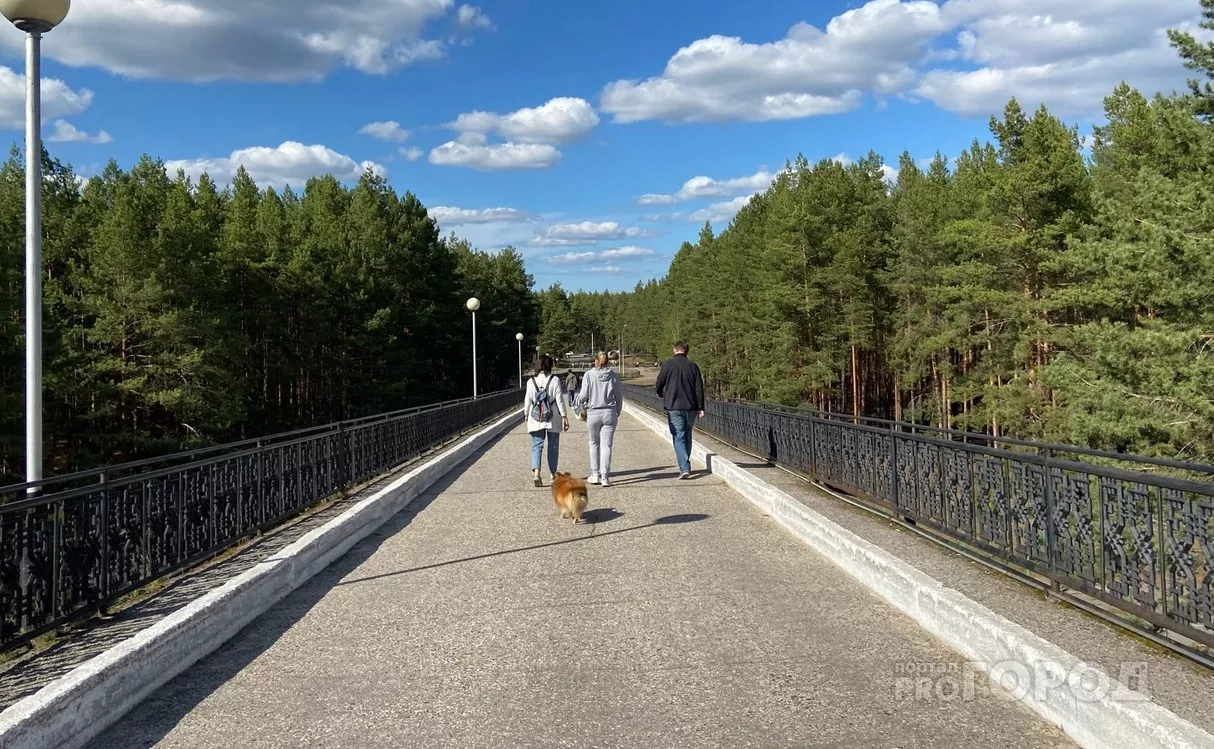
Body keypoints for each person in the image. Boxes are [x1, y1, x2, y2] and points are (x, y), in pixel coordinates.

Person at [654, 341, 705, 480]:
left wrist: (659, 392)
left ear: (674, 350)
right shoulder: (693, 366)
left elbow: (659, 382)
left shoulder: (668, 365)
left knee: (678, 435)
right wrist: (701, 407)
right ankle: (685, 463)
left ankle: (684, 467)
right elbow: (699, 388)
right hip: (691, 406)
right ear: (686, 351)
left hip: (674, 405)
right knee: (687, 434)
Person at [577, 351, 622, 487]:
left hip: (593, 412)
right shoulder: (612, 375)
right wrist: (618, 410)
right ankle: (605, 477)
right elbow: (618, 395)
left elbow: (583, 395)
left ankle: (595, 474)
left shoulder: (589, 375)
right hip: (609, 412)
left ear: (596, 361)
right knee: (606, 445)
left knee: (594, 443)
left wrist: (579, 402)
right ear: (607, 362)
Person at [524, 354, 569, 486]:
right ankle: (552, 474)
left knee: (537, 445)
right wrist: (564, 416)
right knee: (553, 446)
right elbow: (559, 399)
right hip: (553, 417)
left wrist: (526, 414)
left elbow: (527, 400)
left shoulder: (530, 382)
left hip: (536, 418)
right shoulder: (554, 380)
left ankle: (537, 473)